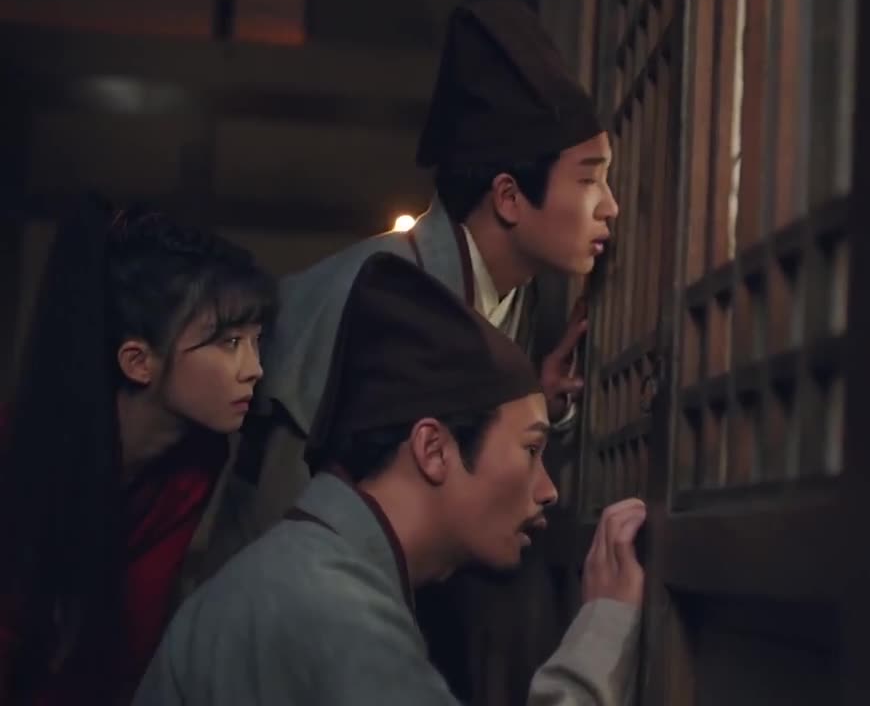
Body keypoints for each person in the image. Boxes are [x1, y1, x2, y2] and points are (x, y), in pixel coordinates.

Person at [134, 253, 646, 706]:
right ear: (433, 449)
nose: (548, 490)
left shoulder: (310, 569)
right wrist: (603, 630)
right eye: (531, 450)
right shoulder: (332, 607)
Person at [208, 0, 618, 558]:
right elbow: (283, 517)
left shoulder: (520, 300)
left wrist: (533, 404)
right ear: (508, 197)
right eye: (590, 181)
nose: (610, 207)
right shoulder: (364, 291)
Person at [0, 199, 276, 705]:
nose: (254, 368)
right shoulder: (18, 444)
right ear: (138, 361)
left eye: (256, 341)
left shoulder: (198, 459)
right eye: (229, 342)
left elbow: (134, 628)